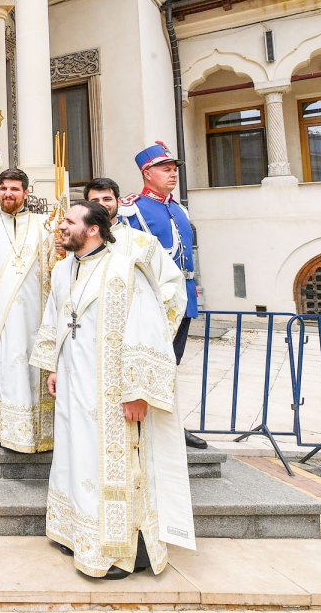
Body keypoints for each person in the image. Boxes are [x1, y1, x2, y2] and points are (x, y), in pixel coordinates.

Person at [31, 201, 194, 579]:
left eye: (69, 222)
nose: (62, 227)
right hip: (73, 384)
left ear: (92, 229)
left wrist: (138, 391)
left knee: (114, 466)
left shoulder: (122, 270)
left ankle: (120, 552)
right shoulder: (62, 270)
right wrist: (54, 365)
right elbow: (57, 318)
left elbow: (147, 328)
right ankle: (75, 532)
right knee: (74, 458)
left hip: (112, 390)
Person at [0, 169, 57, 452]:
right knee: (7, 367)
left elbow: (56, 264)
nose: (8, 194)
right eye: (3, 188)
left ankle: (42, 434)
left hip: (38, 313)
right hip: (1, 312)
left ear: (26, 192)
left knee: (34, 367)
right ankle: (8, 431)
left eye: (14, 189)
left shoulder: (45, 225)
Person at [119, 143, 205, 449]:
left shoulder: (179, 208)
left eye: (174, 169)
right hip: (151, 300)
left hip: (184, 299)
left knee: (173, 363)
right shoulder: (130, 209)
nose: (173, 174)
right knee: (147, 361)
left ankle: (171, 425)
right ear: (147, 172)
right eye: (165, 169)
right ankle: (142, 424)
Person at [85, 177, 188, 333]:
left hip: (134, 329)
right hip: (88, 329)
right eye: (95, 200)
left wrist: (148, 314)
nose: (102, 204)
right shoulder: (77, 243)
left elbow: (172, 284)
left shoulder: (144, 243)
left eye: (107, 199)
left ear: (118, 201)